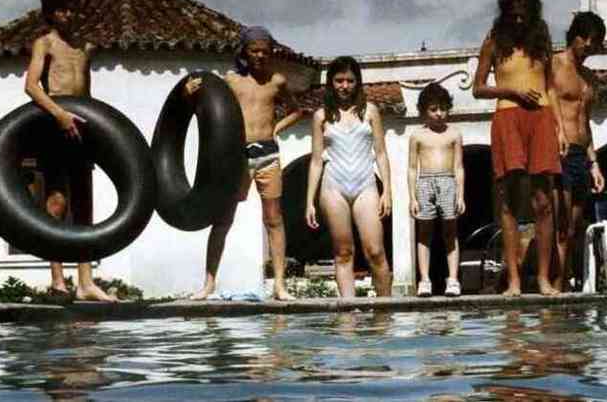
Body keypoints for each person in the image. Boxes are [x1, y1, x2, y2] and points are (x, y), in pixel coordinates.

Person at [184, 26, 301, 301]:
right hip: (237, 156)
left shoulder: (277, 81)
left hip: (268, 155)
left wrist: (277, 128)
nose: (260, 55)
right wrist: (188, 92)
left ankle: (280, 286)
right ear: (245, 52)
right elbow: (205, 101)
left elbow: (297, 110)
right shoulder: (232, 80)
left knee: (274, 219)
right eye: (254, 50)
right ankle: (208, 284)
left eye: (265, 51)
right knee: (223, 218)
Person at [471, 0, 567, 296]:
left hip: (540, 117)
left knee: (544, 202)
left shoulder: (542, 40)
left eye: (524, 10)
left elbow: (550, 87)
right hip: (508, 116)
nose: (519, 16)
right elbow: (478, 87)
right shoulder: (494, 40)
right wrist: (512, 92)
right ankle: (512, 281)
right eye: (514, 10)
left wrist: (560, 128)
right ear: (505, 10)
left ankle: (541, 278)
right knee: (510, 201)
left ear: (532, 10)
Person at [23, 0, 115, 302]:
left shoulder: (84, 47)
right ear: (51, 13)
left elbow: (86, 94)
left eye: (72, 8)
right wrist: (59, 115)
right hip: (54, 125)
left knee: (84, 202)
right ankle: (58, 279)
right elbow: (32, 86)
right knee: (57, 200)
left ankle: (86, 282)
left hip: (81, 127)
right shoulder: (44, 44)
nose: (68, 14)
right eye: (62, 9)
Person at [305, 56, 393, 297]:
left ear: (358, 82)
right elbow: (315, 161)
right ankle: (348, 321)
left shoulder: (370, 111)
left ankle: (385, 313)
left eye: (350, 80)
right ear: (331, 83)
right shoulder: (321, 116)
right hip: (333, 187)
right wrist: (309, 202)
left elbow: (382, 154)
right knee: (343, 252)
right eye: (339, 80)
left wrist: (387, 191)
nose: (344, 85)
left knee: (375, 251)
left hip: (366, 186)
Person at [551, 11, 607, 291]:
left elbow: (586, 122)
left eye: (595, 46)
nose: (591, 50)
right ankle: (557, 286)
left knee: (573, 226)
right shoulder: (555, 65)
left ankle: (566, 284)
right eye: (589, 44)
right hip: (559, 151)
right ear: (576, 37)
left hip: (581, 155)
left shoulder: (589, 77)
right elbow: (545, 108)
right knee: (562, 225)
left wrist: (594, 162)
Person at [407, 82, 465, 297]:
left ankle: (453, 279)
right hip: (425, 182)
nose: (439, 114)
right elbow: (412, 168)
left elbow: (459, 167)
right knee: (424, 233)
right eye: (433, 109)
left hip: (448, 181)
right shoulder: (417, 136)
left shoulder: (454, 134)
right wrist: (412, 197)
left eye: (443, 108)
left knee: (451, 232)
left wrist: (461, 194)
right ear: (424, 111)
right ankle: (424, 279)